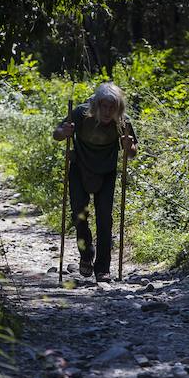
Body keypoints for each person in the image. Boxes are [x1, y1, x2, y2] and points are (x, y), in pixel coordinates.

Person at [53, 82, 138, 282]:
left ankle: (103, 269)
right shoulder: (81, 114)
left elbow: (132, 152)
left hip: (107, 172)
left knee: (104, 218)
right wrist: (64, 132)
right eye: (104, 106)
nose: (108, 111)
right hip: (79, 169)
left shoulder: (122, 121)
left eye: (112, 107)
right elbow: (56, 134)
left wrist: (128, 146)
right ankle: (86, 254)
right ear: (96, 105)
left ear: (118, 107)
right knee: (78, 215)